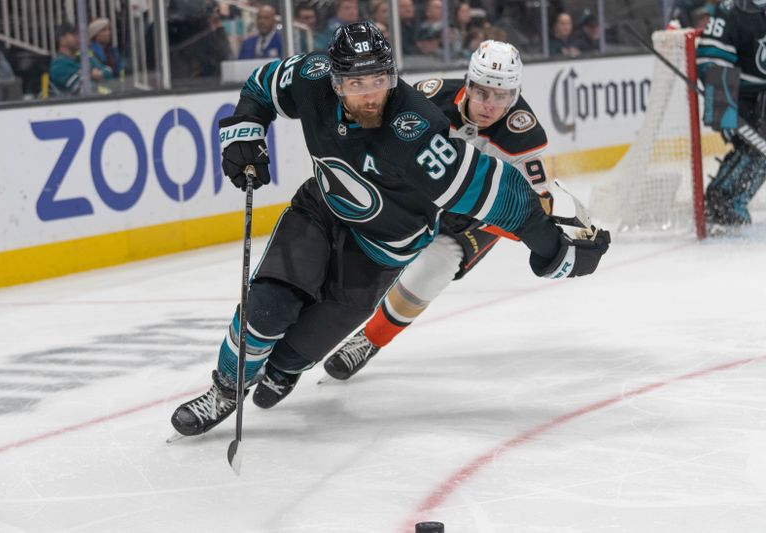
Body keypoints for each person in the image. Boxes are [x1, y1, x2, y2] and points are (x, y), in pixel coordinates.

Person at [169, 22, 610, 438]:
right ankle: (225, 390)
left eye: (379, 80)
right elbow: (262, 85)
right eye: (357, 84)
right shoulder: (311, 76)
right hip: (320, 212)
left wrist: (557, 253)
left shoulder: (416, 133)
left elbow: (507, 198)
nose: (370, 96)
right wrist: (245, 128)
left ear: (394, 76)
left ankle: (286, 367)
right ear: (335, 82)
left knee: (302, 347)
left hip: (382, 250)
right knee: (268, 306)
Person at [324, 40, 582, 380]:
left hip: (478, 214)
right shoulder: (427, 98)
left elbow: (536, 210)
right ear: (468, 84)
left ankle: (369, 341)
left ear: (515, 94)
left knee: (439, 262)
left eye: (502, 96)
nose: (490, 105)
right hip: (417, 194)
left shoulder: (524, 135)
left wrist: (488, 218)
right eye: (483, 92)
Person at [697, 0, 766, 227]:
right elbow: (710, 59)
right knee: (757, 145)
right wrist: (723, 106)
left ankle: (726, 197)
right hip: (742, 98)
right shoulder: (730, 10)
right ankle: (723, 199)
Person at [49, 22, 113, 96]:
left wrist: (98, 74)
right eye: (74, 34)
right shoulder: (58, 65)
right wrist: (91, 74)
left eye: (78, 34)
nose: (78, 38)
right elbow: (83, 89)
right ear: (62, 39)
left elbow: (109, 72)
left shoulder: (85, 58)